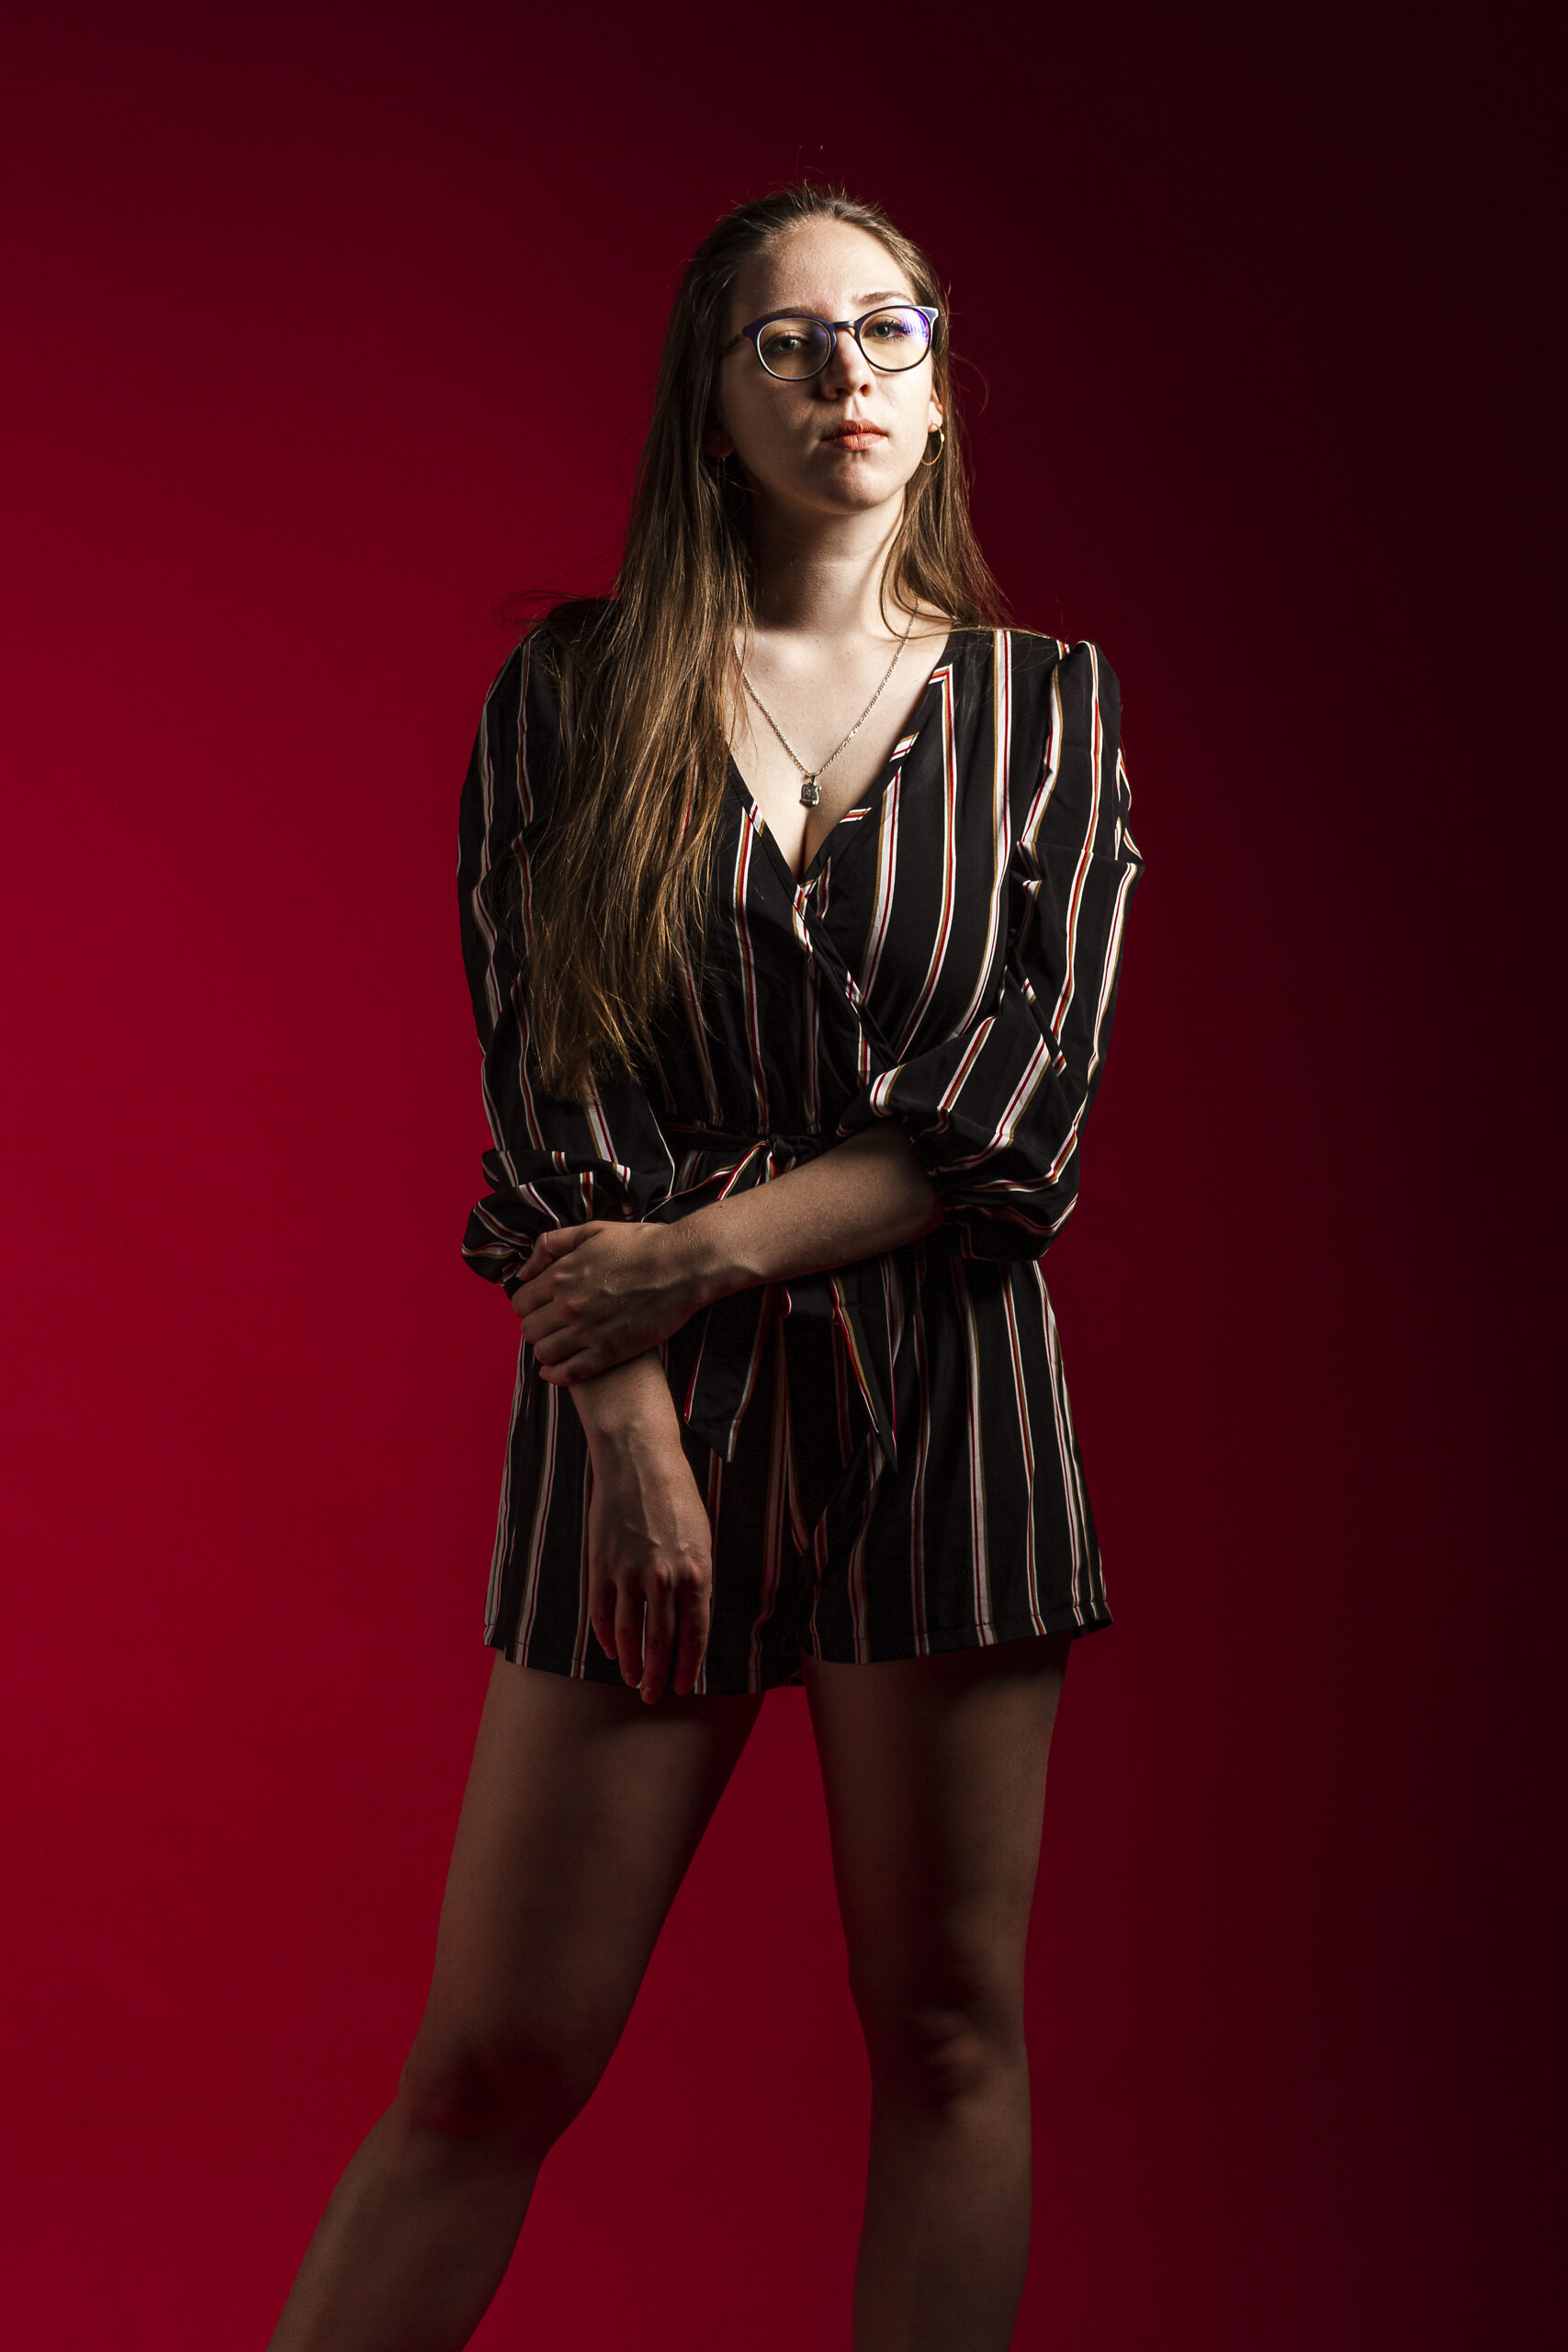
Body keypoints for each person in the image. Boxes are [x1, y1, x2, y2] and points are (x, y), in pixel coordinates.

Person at [269, 182, 1143, 2352]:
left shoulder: (1045, 710)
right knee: (493, 2059)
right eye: (791, 340)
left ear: (936, 385)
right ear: (709, 402)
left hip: (952, 1405)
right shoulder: (571, 697)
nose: (848, 374)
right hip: (639, 1409)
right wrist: (635, 1415)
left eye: (888, 329)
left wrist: (685, 1252)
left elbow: (1009, 1110)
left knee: (944, 2034)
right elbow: (547, 1095)